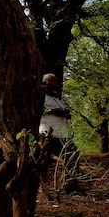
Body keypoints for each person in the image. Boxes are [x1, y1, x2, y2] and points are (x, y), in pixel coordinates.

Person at [39, 73, 79, 201]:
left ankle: (69, 184)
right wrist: (51, 111)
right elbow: (35, 110)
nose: (56, 84)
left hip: (63, 134)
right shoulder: (41, 97)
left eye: (56, 81)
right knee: (43, 161)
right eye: (52, 81)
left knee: (73, 155)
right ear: (45, 83)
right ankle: (42, 187)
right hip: (48, 133)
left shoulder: (57, 98)